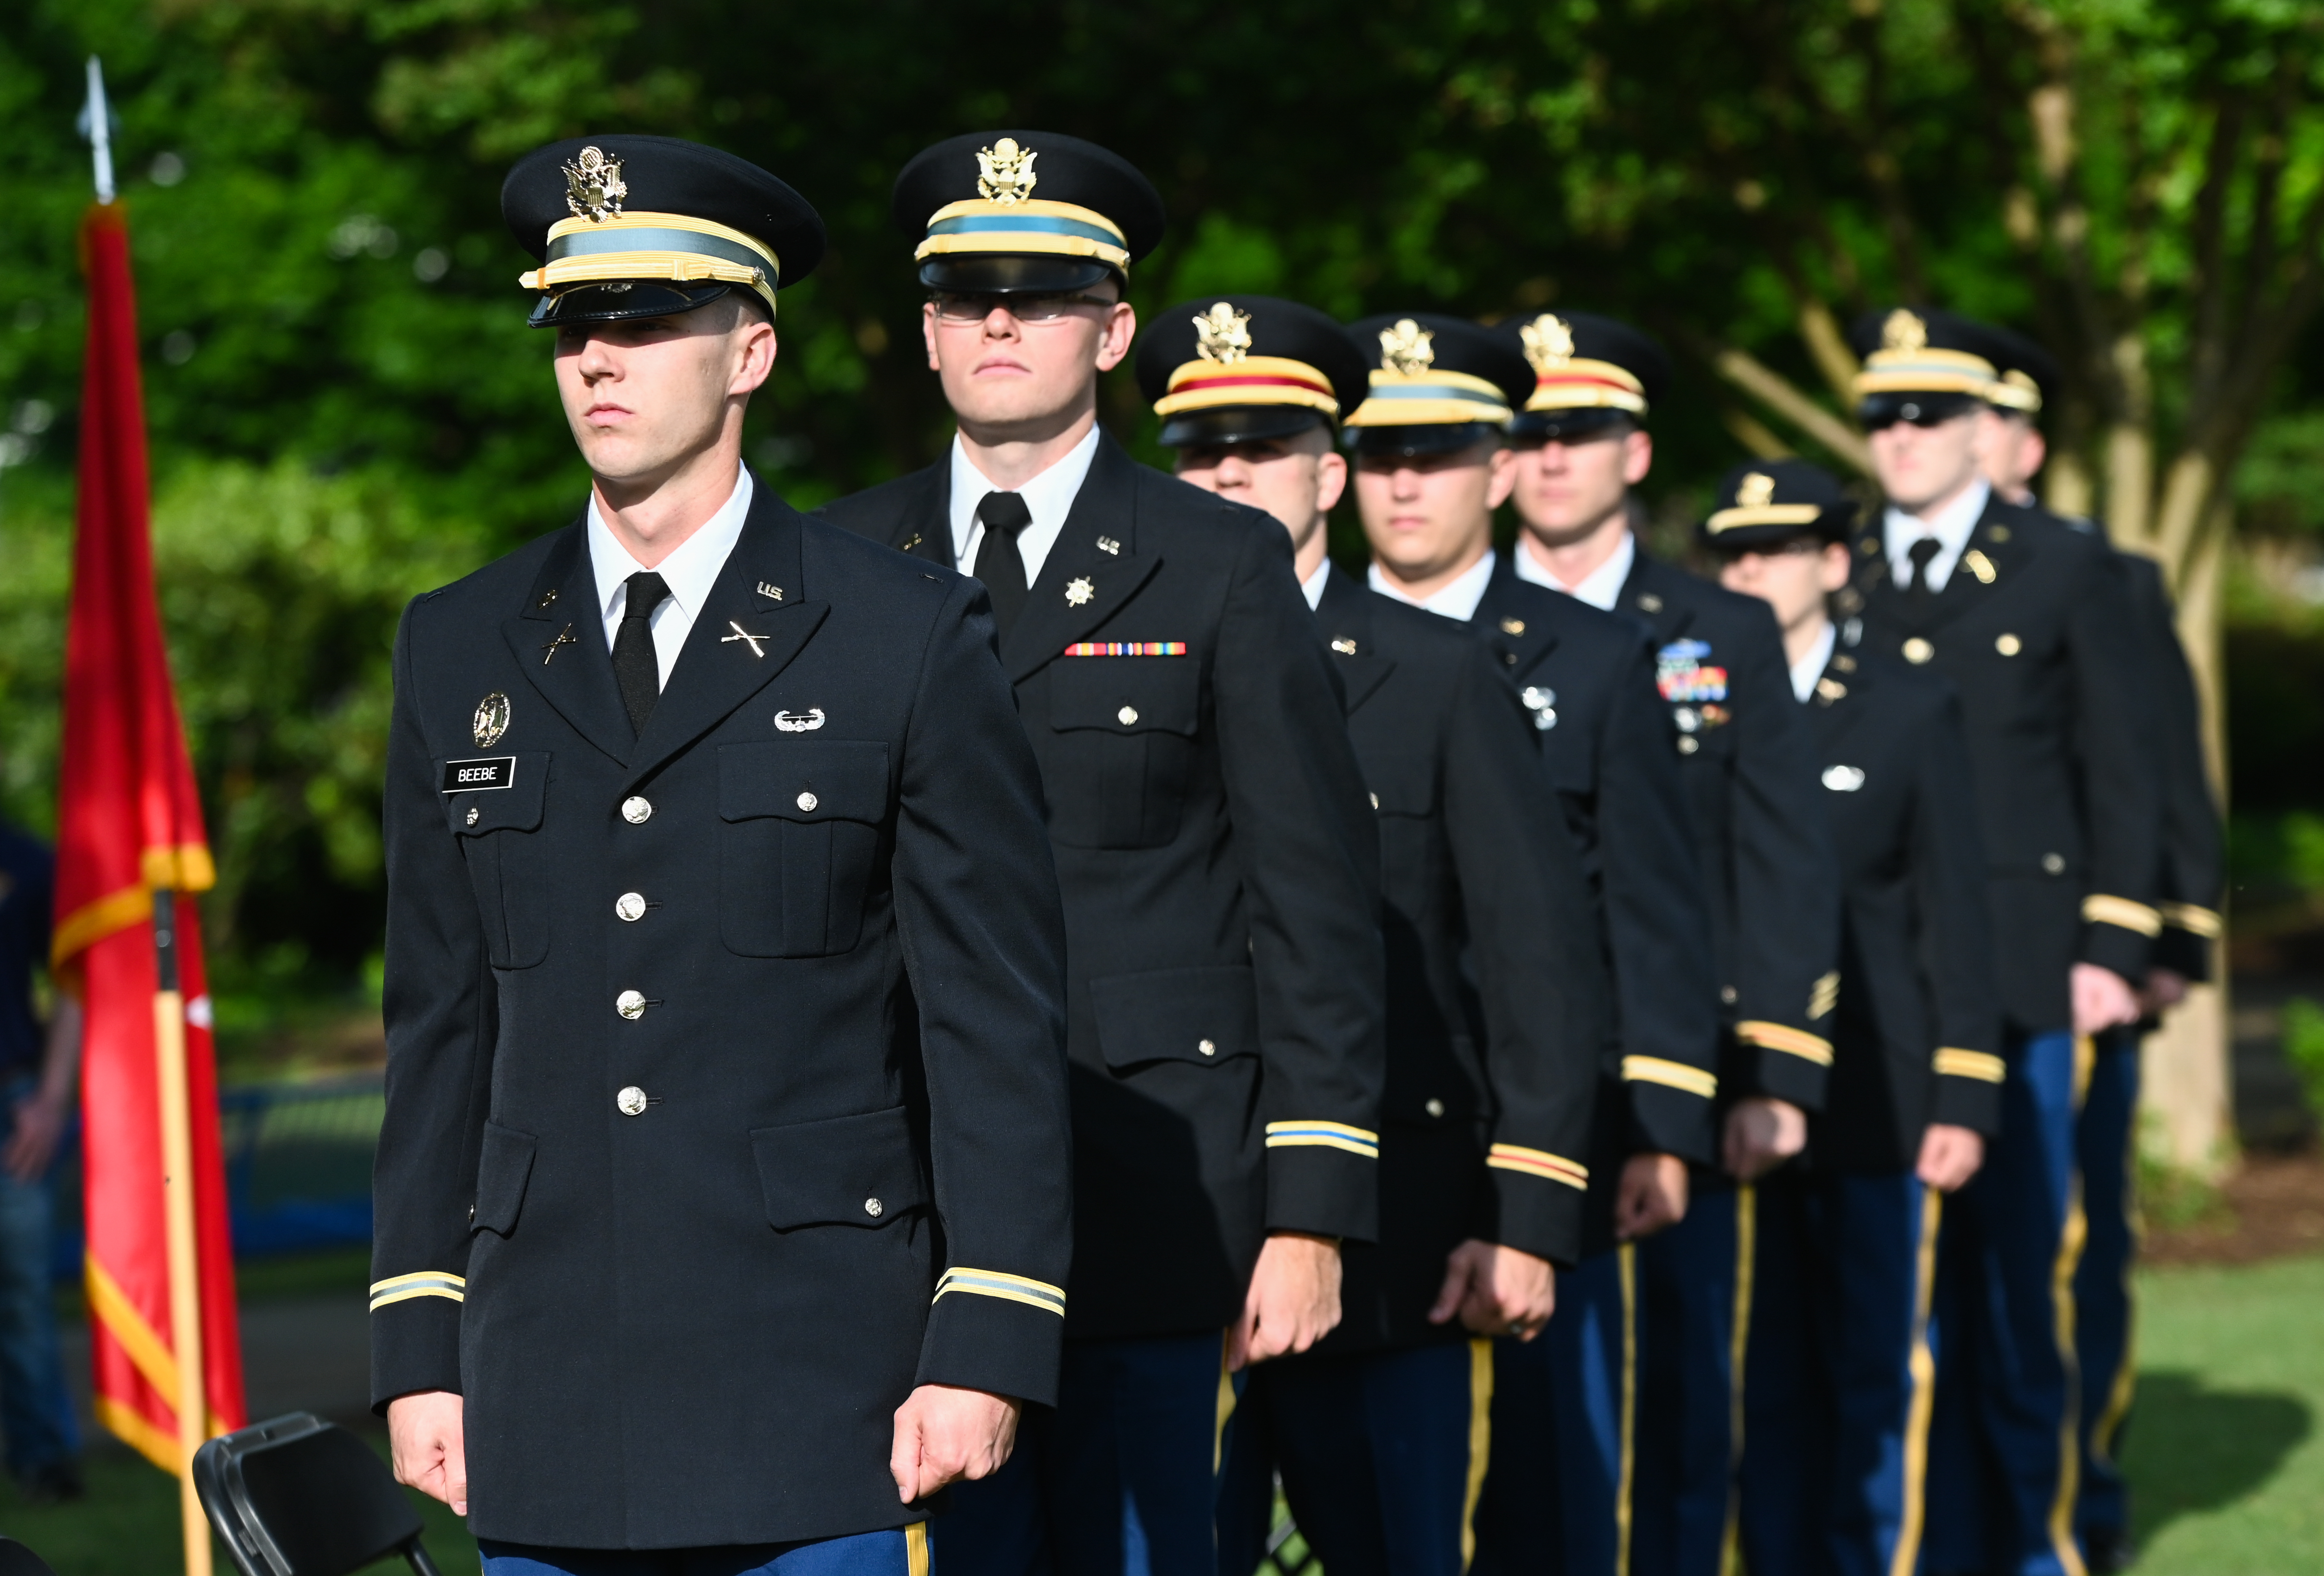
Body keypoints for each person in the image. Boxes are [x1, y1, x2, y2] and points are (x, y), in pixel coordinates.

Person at [371, 134, 1076, 1576]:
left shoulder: (904, 634)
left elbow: (989, 1017)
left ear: (749, 351)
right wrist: (414, 1342)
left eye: (643, 323)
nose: (598, 360)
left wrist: (988, 1334)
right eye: (575, 325)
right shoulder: (458, 643)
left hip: (816, 1376)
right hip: (542, 1381)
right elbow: (439, 1023)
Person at [820, 136, 1386, 1576]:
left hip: (1149, 1189)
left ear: (1114, 328)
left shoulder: (1217, 560)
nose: (999, 320)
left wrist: (1309, 1209)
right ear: (927, 326)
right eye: (965, 292)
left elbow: (1313, 904)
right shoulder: (832, 566)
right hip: (901, 1187)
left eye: (1044, 291)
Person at [1136, 296, 1608, 1576]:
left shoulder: (1439, 671)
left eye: (1265, 442)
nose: (1227, 470)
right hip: (1172, 1252)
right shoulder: (1111, 664)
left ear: (1328, 475)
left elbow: (1533, 967)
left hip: (1400, 1247)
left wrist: (1526, 1212)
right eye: (1196, 450)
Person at [1327, 313, 1718, 1576]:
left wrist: (1654, 1123)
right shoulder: (1284, 651)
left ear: (1496, 468)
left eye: (1435, 452)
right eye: (1378, 453)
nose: (1402, 482)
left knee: (1544, 1475)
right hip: (1347, 1137)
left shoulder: (1601, 663)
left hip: (1530, 1138)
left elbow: (1643, 911)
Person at [1485, 311, 1841, 1576]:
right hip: (1505, 1082)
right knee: (1518, 1405)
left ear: (1634, 452)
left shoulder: (1717, 629)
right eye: (1524, 432)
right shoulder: (1451, 615)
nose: (1547, 457)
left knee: (1683, 1384)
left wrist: (1777, 1074)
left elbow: (1778, 858)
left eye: (1575, 432)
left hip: (1676, 1080)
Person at [1841, 306, 2160, 1576]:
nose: (1902, 436)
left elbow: (2125, 772)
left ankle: (2036, 1549)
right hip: (1889, 989)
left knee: (2023, 1288)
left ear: (1988, 430)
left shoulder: (2065, 568)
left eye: (1928, 414)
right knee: (1898, 1302)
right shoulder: (1846, 567)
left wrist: (2111, 944)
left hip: (2033, 978)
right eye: (1882, 414)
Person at [1700, 458, 2002, 1574]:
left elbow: (1951, 914)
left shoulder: (1908, 702)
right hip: (1733, 1097)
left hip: (1881, 1093)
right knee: (1758, 1371)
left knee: (1878, 1368)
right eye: (1731, 551)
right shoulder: (1689, 698)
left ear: (1833, 562)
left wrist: (1964, 1090)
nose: (1748, 570)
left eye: (1773, 550)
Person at [1973, 324, 2223, 1575]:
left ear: (2025, 442)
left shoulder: (2097, 576)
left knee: (2066, 1251)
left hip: (2069, 964)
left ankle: (2086, 1494)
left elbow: (2157, 767)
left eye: (1998, 423)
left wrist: (2159, 934)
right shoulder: (1884, 572)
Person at [0, 820, 83, 1504]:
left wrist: (53, 1097)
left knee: (23, 1294)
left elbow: (74, 976)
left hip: (13, 1107)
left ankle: (41, 1459)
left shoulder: (25, 859)